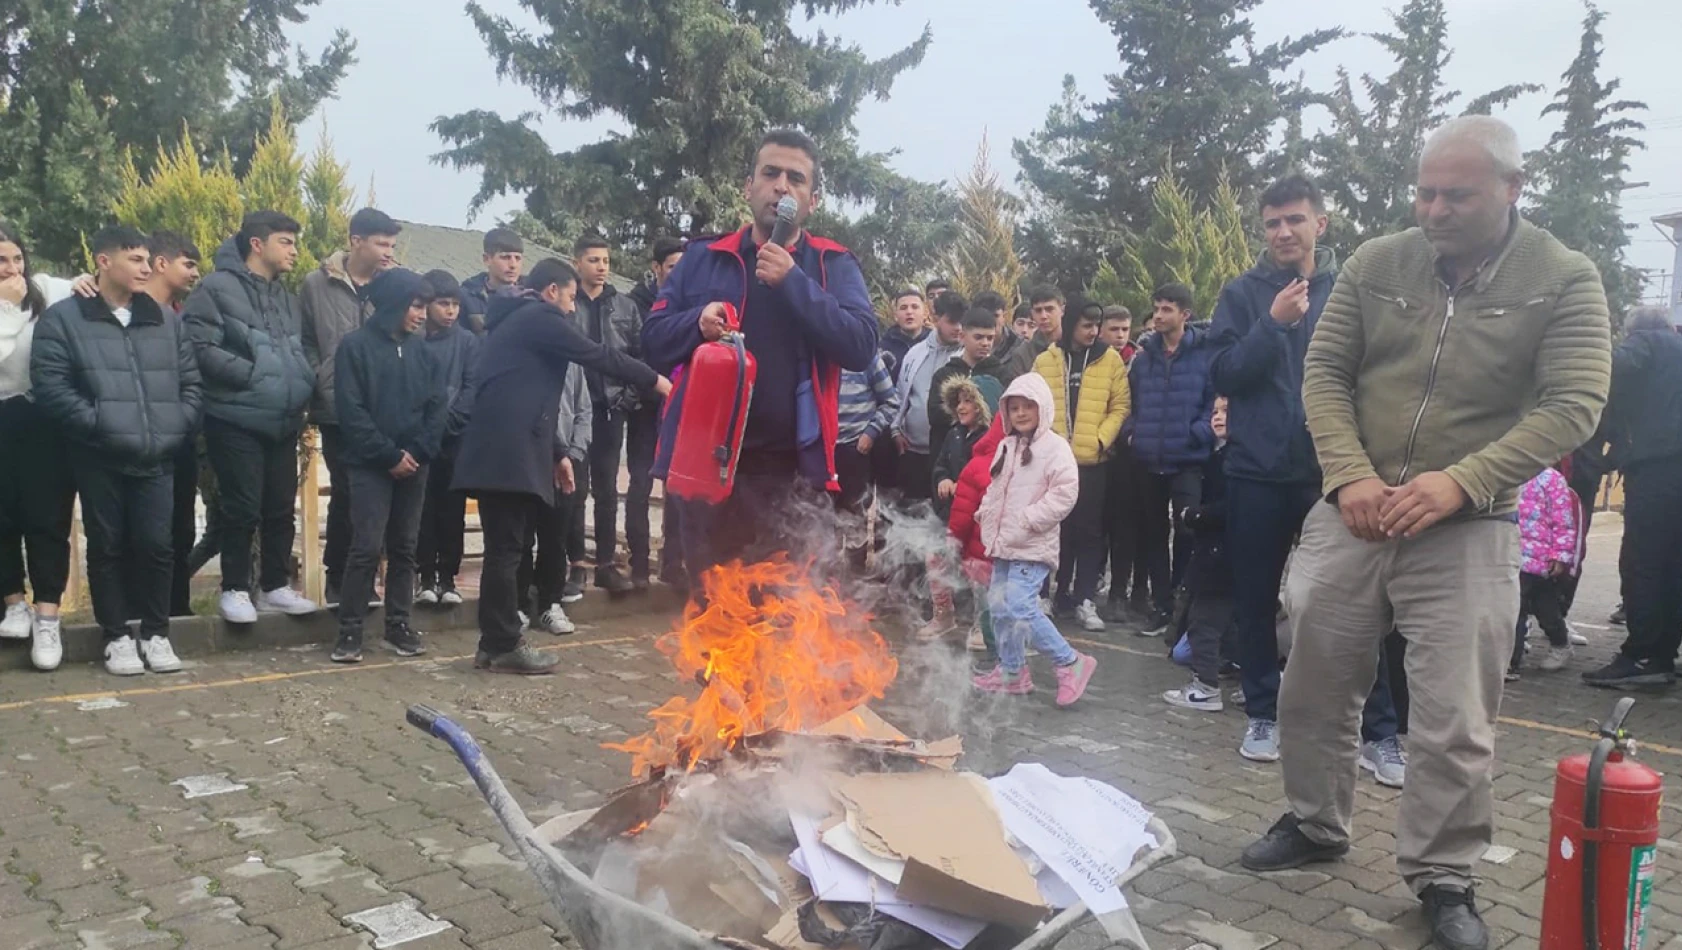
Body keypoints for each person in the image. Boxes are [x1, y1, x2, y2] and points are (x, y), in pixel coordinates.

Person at [1243, 116, 1611, 950]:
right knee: (1312, 682)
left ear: (1513, 189)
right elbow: (1326, 373)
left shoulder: (1565, 278)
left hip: (1471, 524)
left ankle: (1443, 874)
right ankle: (1314, 822)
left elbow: (1574, 402)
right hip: (1355, 513)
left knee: (1453, 713)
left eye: (1458, 194)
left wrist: (1462, 481)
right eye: (1425, 192)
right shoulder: (1380, 262)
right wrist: (1350, 476)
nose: (1435, 208)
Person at [644, 130, 878, 584]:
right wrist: (696, 324)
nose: (782, 186)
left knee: (784, 625)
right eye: (770, 174)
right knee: (714, 617)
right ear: (748, 188)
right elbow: (651, 340)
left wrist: (793, 281)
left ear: (812, 200)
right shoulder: (703, 258)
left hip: (792, 477)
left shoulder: (833, 264)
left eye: (796, 178)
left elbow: (861, 344)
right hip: (707, 473)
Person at [453, 258, 668, 674]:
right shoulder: (538, 317)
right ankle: (503, 643)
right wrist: (657, 381)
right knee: (508, 550)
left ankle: (492, 642)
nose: (572, 309)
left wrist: (557, 455)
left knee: (505, 548)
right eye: (570, 297)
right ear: (552, 291)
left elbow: (529, 396)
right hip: (507, 451)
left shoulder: (517, 322)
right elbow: (599, 355)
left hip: (507, 446)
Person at [1207, 174, 1341, 761]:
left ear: (1320, 223)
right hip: (1256, 471)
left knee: (1340, 600)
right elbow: (1225, 373)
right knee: (1256, 598)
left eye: (1294, 219)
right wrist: (1274, 322)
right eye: (1272, 222)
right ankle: (1262, 713)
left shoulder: (1347, 289)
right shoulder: (1242, 293)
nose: (1283, 231)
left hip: (1330, 474)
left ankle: (1374, 725)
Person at [31, 226, 202, 676]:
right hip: (98, 454)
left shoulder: (167, 320)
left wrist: (174, 427)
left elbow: (191, 383)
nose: (148, 268)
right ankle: (116, 637)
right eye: (136, 260)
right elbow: (52, 387)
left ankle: (156, 633)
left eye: (148, 260)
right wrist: (101, 426)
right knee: (106, 545)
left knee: (158, 545)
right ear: (104, 262)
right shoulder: (64, 319)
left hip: (156, 455)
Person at [183, 211, 319, 623]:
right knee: (242, 508)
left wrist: (304, 377)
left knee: (280, 506)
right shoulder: (214, 288)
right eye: (286, 241)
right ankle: (235, 589)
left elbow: (304, 347)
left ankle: (274, 586)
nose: (294, 250)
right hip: (234, 418)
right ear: (257, 245)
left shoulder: (285, 296)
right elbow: (199, 346)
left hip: (283, 418)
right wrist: (253, 375)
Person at [328, 269, 448, 663]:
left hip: (415, 466)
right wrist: (388, 455)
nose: (420, 314)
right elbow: (351, 411)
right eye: (415, 305)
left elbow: (436, 410)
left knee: (405, 547)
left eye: (423, 306)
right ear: (394, 304)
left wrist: (416, 452)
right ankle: (350, 630)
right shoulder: (355, 348)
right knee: (365, 547)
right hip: (369, 465)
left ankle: (399, 624)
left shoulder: (424, 353)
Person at [970, 373, 1098, 706]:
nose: (1022, 413)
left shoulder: (1055, 448)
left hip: (1031, 544)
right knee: (998, 607)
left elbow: (1065, 492)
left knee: (1020, 606)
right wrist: (984, 514)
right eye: (1014, 408)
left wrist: (1030, 520)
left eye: (1029, 406)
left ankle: (1070, 662)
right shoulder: (1006, 445)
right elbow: (995, 487)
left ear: (1043, 408)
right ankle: (1012, 670)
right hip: (1003, 543)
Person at [301, 208, 400, 605]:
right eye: (381, 243)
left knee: (379, 497)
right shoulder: (315, 284)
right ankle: (338, 578)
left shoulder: (394, 285)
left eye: (392, 244)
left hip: (385, 410)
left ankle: (369, 579)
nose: (387, 252)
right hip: (337, 408)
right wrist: (318, 378)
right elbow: (306, 339)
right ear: (356, 241)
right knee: (347, 493)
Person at [0, 222, 82, 669]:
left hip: (42, 419)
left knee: (48, 518)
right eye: (1, 261)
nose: (12, 269)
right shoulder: (11, 304)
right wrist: (8, 312)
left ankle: (48, 614)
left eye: (17, 258)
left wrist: (85, 282)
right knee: (3, 516)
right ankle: (15, 602)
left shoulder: (44, 289)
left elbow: (82, 286)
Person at [1587, 305, 1682, 687]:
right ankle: (1661, 653)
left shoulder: (1646, 342)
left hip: (1657, 469)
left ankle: (1640, 655)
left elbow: (1609, 367)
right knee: (1674, 565)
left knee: (1643, 561)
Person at [1123, 282, 1214, 637]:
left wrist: (1201, 431)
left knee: (1189, 529)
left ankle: (1184, 604)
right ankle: (1161, 605)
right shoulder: (1143, 359)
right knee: (1152, 534)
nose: (1158, 316)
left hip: (1188, 458)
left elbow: (1214, 400)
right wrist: (1133, 432)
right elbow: (1130, 402)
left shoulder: (1204, 355)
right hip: (1148, 458)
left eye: (1166, 309)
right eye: (1156, 308)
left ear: (1184, 315)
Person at [1034, 301, 1130, 631]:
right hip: (1052, 465)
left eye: (1096, 325)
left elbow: (1120, 406)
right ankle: (1046, 596)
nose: (1093, 331)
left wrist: (1101, 439)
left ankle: (1085, 599)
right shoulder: (1046, 360)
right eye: (1086, 325)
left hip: (1092, 463)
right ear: (1072, 322)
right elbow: (1033, 404)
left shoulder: (1110, 359)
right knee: (1051, 531)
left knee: (1089, 533)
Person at [571, 235, 653, 595]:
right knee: (574, 490)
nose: (602, 266)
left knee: (606, 491)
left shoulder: (625, 306)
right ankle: (574, 564)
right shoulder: (566, 304)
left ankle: (605, 564)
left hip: (609, 410)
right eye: (593, 260)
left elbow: (639, 358)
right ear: (577, 264)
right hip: (573, 414)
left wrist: (626, 397)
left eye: (605, 260)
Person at [140, 231, 206, 618]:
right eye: (189, 264)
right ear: (161, 263)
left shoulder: (184, 314)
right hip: (138, 437)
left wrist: (185, 420)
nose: (196, 273)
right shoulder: (126, 310)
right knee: (144, 533)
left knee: (181, 529)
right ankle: (139, 611)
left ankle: (177, 610)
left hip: (181, 436)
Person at [920, 372, 1003, 640]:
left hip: (979, 520)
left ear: (984, 405)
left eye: (969, 400)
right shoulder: (954, 434)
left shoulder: (991, 440)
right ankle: (943, 616)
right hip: (951, 515)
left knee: (980, 569)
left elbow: (990, 478)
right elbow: (940, 463)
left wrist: (964, 487)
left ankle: (984, 624)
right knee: (936, 558)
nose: (961, 406)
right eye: (959, 400)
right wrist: (943, 478)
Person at [414, 271, 479, 607]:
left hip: (455, 439)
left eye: (455, 304)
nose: (451, 310)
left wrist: (446, 423)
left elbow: (471, 389)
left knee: (452, 510)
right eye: (444, 304)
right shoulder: (414, 340)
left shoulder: (468, 342)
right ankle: (424, 575)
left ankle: (448, 577)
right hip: (420, 441)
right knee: (422, 508)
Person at [1163, 397, 1231, 711]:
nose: (1217, 417)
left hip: (1220, 553)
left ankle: (1206, 686)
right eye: (1215, 411)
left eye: (1227, 412)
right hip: (1217, 550)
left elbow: (1230, 508)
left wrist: (1194, 516)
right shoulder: (1217, 455)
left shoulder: (1234, 460)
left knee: (1205, 618)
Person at [628, 237, 688, 590]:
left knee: (678, 488)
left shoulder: (691, 304)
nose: (679, 274)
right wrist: (650, 383)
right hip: (642, 407)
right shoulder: (634, 305)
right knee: (639, 485)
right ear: (657, 269)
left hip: (680, 408)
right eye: (672, 268)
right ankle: (637, 566)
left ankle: (672, 562)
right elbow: (630, 352)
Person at [526, 361, 592, 636]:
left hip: (565, 464)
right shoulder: (522, 356)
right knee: (521, 537)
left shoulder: (572, 364)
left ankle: (550, 603)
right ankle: (518, 604)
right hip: (528, 459)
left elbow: (583, 411)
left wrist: (572, 454)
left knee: (555, 538)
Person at [1508, 462, 1580, 680]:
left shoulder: (1551, 479)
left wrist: (1560, 555)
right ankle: (1511, 660)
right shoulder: (1508, 474)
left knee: (1546, 609)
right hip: (1511, 555)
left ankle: (1560, 643)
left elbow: (1564, 521)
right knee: (1514, 607)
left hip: (1541, 561)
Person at [891, 292, 965, 503]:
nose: (958, 328)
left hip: (948, 455)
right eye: (951, 321)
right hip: (912, 451)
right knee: (910, 514)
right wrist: (895, 429)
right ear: (934, 319)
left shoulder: (965, 358)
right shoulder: (915, 353)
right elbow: (900, 395)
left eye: (961, 322)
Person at [927, 307, 999, 455]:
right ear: (962, 336)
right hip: (948, 456)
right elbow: (935, 415)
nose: (985, 343)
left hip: (989, 457)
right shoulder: (944, 375)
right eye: (978, 337)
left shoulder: (1002, 373)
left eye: (990, 338)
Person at [835, 353, 899, 513]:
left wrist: (871, 432)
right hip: (822, 451)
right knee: (818, 514)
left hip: (855, 447)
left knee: (854, 512)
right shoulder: (819, 357)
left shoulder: (868, 360)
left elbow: (891, 402)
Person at [459, 228, 525, 336]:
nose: (513, 265)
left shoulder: (532, 295)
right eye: (505, 257)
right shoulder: (467, 298)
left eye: (518, 258)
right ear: (487, 259)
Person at [973, 290, 1038, 387]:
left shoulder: (1021, 349)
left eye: (995, 316)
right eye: (985, 315)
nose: (990, 320)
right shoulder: (965, 348)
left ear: (1004, 317)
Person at [880, 289, 930, 382]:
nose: (909, 312)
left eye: (915, 307)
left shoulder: (936, 343)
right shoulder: (883, 348)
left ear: (925, 313)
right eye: (903, 308)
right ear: (895, 315)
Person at [1027, 286, 1064, 353]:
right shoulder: (1024, 353)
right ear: (1032, 314)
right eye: (1038, 310)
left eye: (1049, 309)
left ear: (1062, 310)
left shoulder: (1077, 344)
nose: (1043, 316)